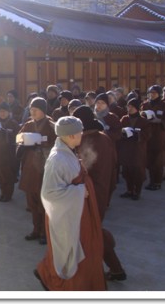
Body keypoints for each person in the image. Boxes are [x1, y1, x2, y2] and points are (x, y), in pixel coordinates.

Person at [34, 116, 106, 291]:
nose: (82, 134)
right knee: (73, 254)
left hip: (77, 212)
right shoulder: (57, 159)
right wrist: (80, 191)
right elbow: (49, 194)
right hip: (68, 216)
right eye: (80, 132)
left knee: (86, 250)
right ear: (72, 135)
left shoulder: (68, 150)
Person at [72, 105, 126, 283]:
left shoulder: (87, 142)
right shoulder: (105, 138)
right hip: (103, 192)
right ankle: (115, 269)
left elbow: (80, 172)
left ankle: (107, 270)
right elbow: (115, 164)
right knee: (92, 231)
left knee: (91, 233)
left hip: (88, 194)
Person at [18, 97, 56, 245]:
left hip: (44, 168)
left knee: (44, 202)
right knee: (32, 201)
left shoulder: (52, 125)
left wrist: (43, 143)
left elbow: (57, 144)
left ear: (43, 110)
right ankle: (35, 229)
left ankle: (45, 232)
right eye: (31, 109)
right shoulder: (28, 124)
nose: (32, 112)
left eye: (35, 110)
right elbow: (18, 138)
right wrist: (23, 143)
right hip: (30, 167)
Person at [141, 85, 165, 191]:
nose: (152, 95)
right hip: (148, 136)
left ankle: (158, 182)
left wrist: (160, 121)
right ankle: (151, 181)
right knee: (149, 161)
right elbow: (140, 117)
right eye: (150, 93)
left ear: (159, 94)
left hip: (159, 136)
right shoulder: (145, 105)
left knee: (158, 162)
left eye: (154, 93)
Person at [119, 98, 151, 200]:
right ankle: (129, 190)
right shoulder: (124, 119)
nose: (129, 108)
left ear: (137, 108)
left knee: (138, 171)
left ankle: (137, 191)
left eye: (132, 106)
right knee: (127, 170)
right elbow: (119, 131)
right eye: (128, 106)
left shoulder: (143, 121)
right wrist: (123, 133)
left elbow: (148, 134)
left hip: (138, 150)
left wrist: (137, 134)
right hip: (126, 148)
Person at [0, 102, 19, 202]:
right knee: (0, 175)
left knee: (8, 175)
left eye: (4, 111)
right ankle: (2, 193)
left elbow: (17, 138)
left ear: (9, 112)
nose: (2, 114)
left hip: (9, 154)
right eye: (0, 112)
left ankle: (8, 195)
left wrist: (7, 133)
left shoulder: (13, 123)